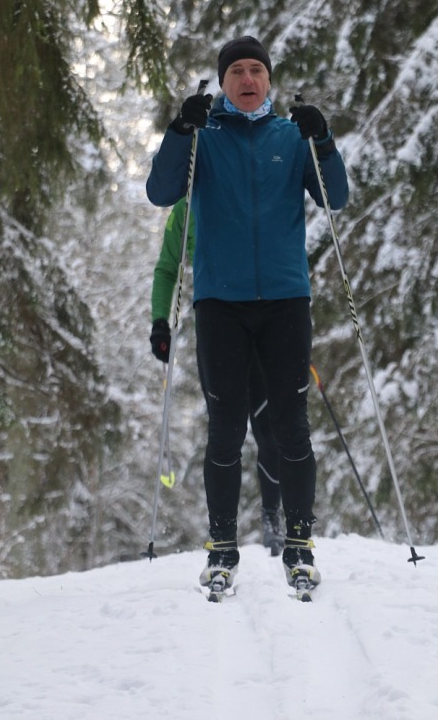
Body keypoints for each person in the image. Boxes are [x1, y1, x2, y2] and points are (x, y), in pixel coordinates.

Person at [147, 35, 349, 594]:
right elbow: (162, 193)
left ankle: (300, 544)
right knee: (225, 430)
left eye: (256, 69)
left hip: (286, 301)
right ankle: (222, 548)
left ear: (268, 80)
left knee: (291, 425)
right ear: (223, 82)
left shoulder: (290, 136)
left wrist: (323, 138)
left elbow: (336, 198)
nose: (247, 78)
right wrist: (180, 130)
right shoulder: (203, 140)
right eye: (236, 70)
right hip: (220, 305)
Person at [149, 197, 285, 555]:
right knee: (225, 431)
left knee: (269, 427)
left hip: (263, 322)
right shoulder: (187, 207)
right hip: (218, 331)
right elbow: (168, 268)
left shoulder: (243, 189)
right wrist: (160, 322)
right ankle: (224, 532)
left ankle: (273, 516)